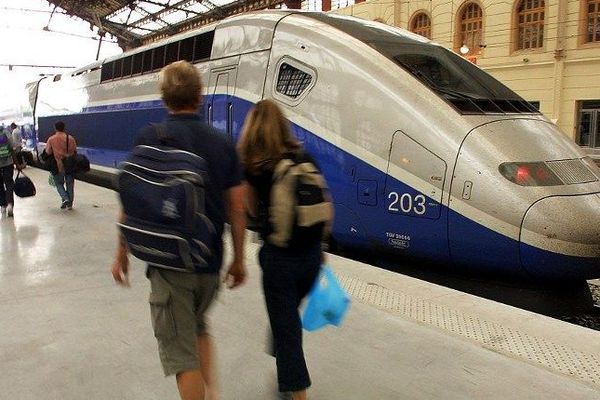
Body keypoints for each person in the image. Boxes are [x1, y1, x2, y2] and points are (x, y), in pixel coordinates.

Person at [111, 60, 247, 400]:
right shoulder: (221, 142)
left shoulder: (148, 137)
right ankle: (212, 393)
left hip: (168, 264)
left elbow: (133, 200)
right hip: (209, 262)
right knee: (198, 327)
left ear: (163, 98)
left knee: (181, 354)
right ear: (200, 96)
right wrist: (240, 259)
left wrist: (121, 251)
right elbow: (237, 209)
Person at [237, 99, 325, 400]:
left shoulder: (255, 166)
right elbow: (322, 206)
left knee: (287, 333)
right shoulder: (304, 156)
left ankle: (297, 393)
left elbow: (249, 211)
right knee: (286, 318)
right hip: (312, 259)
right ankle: (284, 373)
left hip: (279, 261)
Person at [44, 121, 76, 210]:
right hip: (69, 165)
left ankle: (65, 198)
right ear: (64, 128)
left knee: (59, 183)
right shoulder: (71, 138)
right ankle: (69, 204)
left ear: (55, 128)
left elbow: (48, 152)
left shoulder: (51, 139)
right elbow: (74, 151)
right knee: (70, 184)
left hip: (57, 165)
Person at [0, 125, 23, 217]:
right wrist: (17, 164)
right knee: (9, 183)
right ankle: (10, 204)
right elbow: (13, 149)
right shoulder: (6, 132)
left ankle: (2, 206)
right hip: (8, 163)